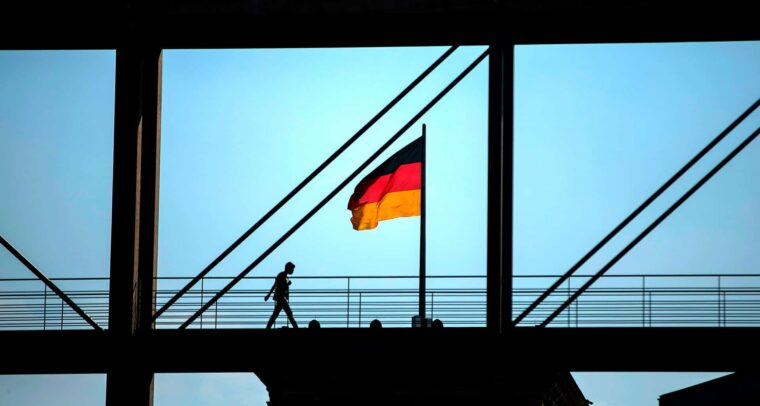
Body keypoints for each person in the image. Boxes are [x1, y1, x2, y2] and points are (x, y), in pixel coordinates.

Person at [264, 261, 299, 329]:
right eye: (292, 269)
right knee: (289, 313)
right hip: (281, 297)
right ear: (288, 269)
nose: (292, 271)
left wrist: (268, 295)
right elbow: (276, 285)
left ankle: (268, 327)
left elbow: (277, 285)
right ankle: (296, 327)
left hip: (281, 297)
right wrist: (268, 295)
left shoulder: (284, 276)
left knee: (276, 313)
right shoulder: (282, 275)